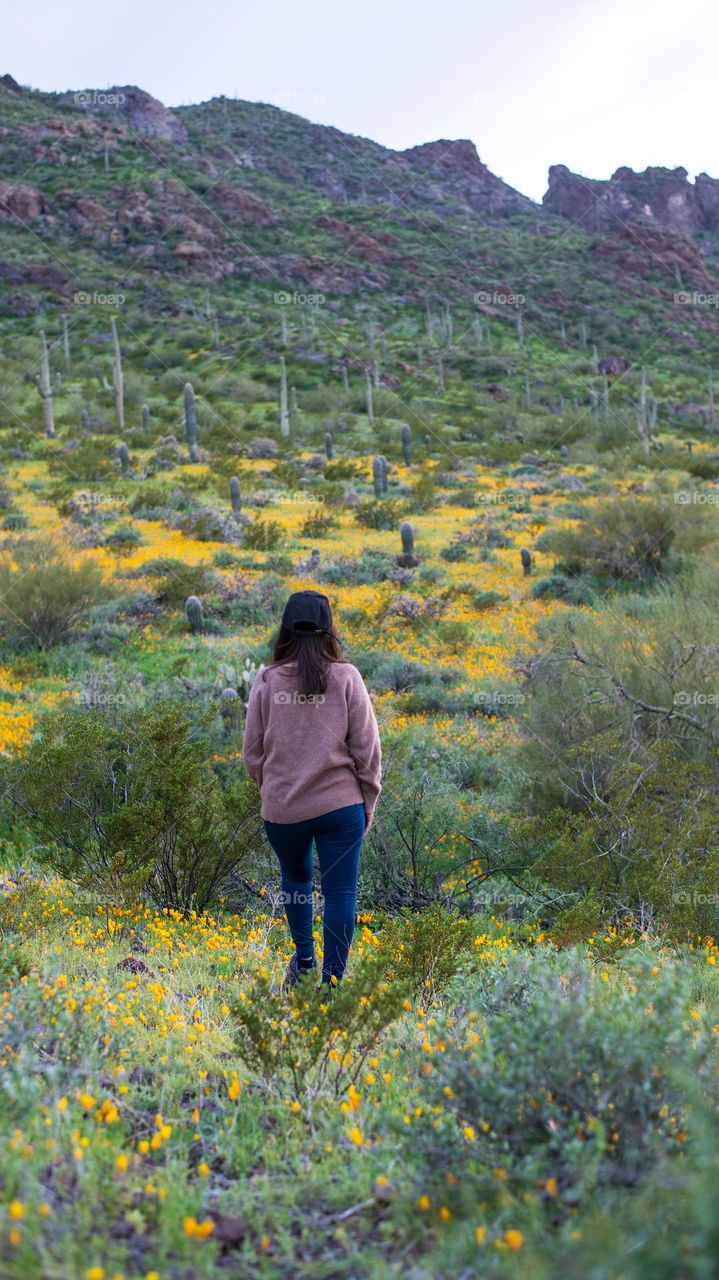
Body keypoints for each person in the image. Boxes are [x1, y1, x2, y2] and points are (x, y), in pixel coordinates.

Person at [243, 590, 381, 988]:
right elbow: (367, 752)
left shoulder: (267, 681)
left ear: (285, 630)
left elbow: (252, 753)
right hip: (341, 808)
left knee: (297, 881)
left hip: (283, 810)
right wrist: (366, 803)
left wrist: (273, 791)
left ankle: (304, 962)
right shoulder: (346, 677)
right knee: (341, 894)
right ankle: (331, 985)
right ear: (329, 631)